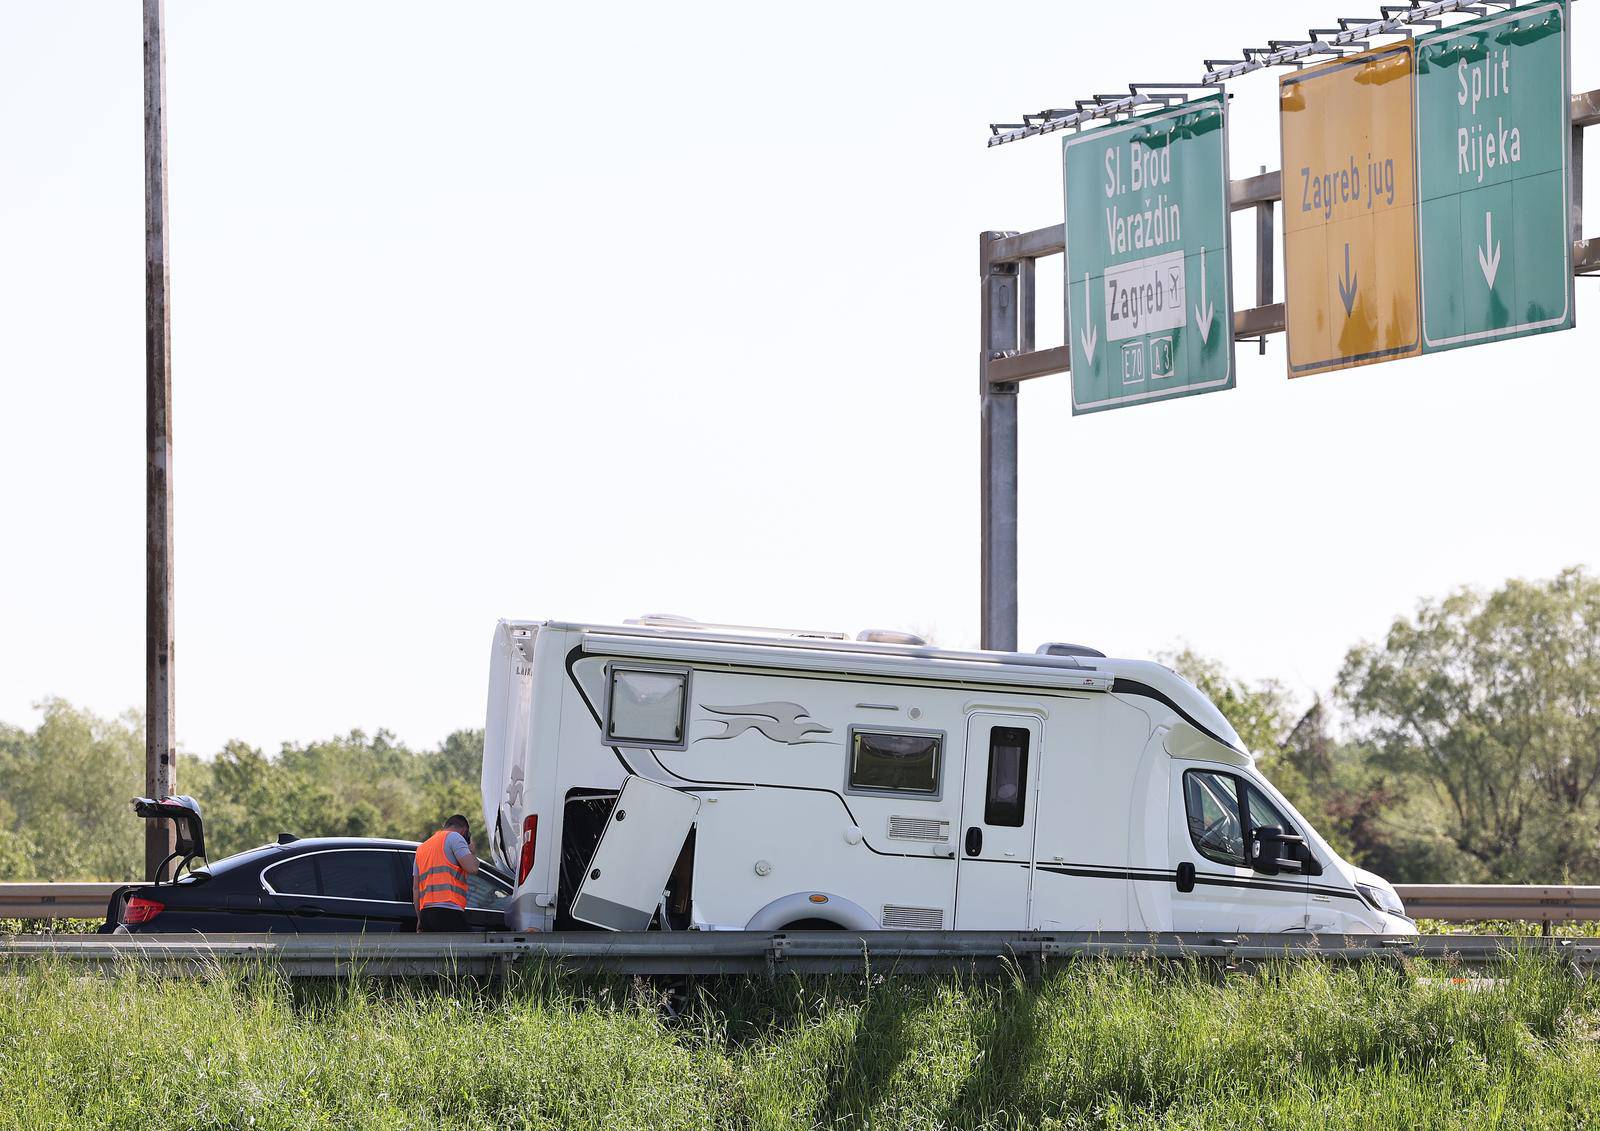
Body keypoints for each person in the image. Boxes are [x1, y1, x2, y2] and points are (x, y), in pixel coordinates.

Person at [413, 814, 480, 932]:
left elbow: (416, 889)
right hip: (449, 910)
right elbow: (473, 868)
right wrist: (472, 852)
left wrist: (420, 919)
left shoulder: (422, 848)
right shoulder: (455, 837)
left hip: (426, 914)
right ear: (464, 830)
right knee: (469, 948)